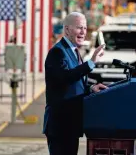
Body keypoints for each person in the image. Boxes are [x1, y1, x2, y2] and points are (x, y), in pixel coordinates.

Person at [43, 12, 107, 155]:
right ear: (66, 30)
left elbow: (76, 83)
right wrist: (92, 62)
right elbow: (65, 78)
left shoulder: (74, 51)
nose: (83, 32)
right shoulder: (57, 52)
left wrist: (91, 88)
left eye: (84, 28)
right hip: (60, 125)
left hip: (71, 124)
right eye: (79, 28)